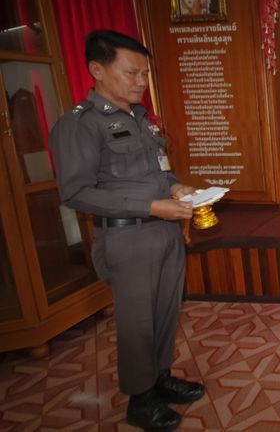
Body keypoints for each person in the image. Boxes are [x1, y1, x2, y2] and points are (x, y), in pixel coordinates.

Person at [49, 30, 205, 430]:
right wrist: (151, 206)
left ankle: (160, 377)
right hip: (127, 238)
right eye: (131, 73)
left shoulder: (140, 119)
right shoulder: (80, 124)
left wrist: (176, 187)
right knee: (137, 321)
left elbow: (159, 172)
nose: (141, 82)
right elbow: (76, 192)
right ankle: (140, 398)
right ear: (97, 70)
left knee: (166, 310)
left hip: (164, 230)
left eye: (144, 74)